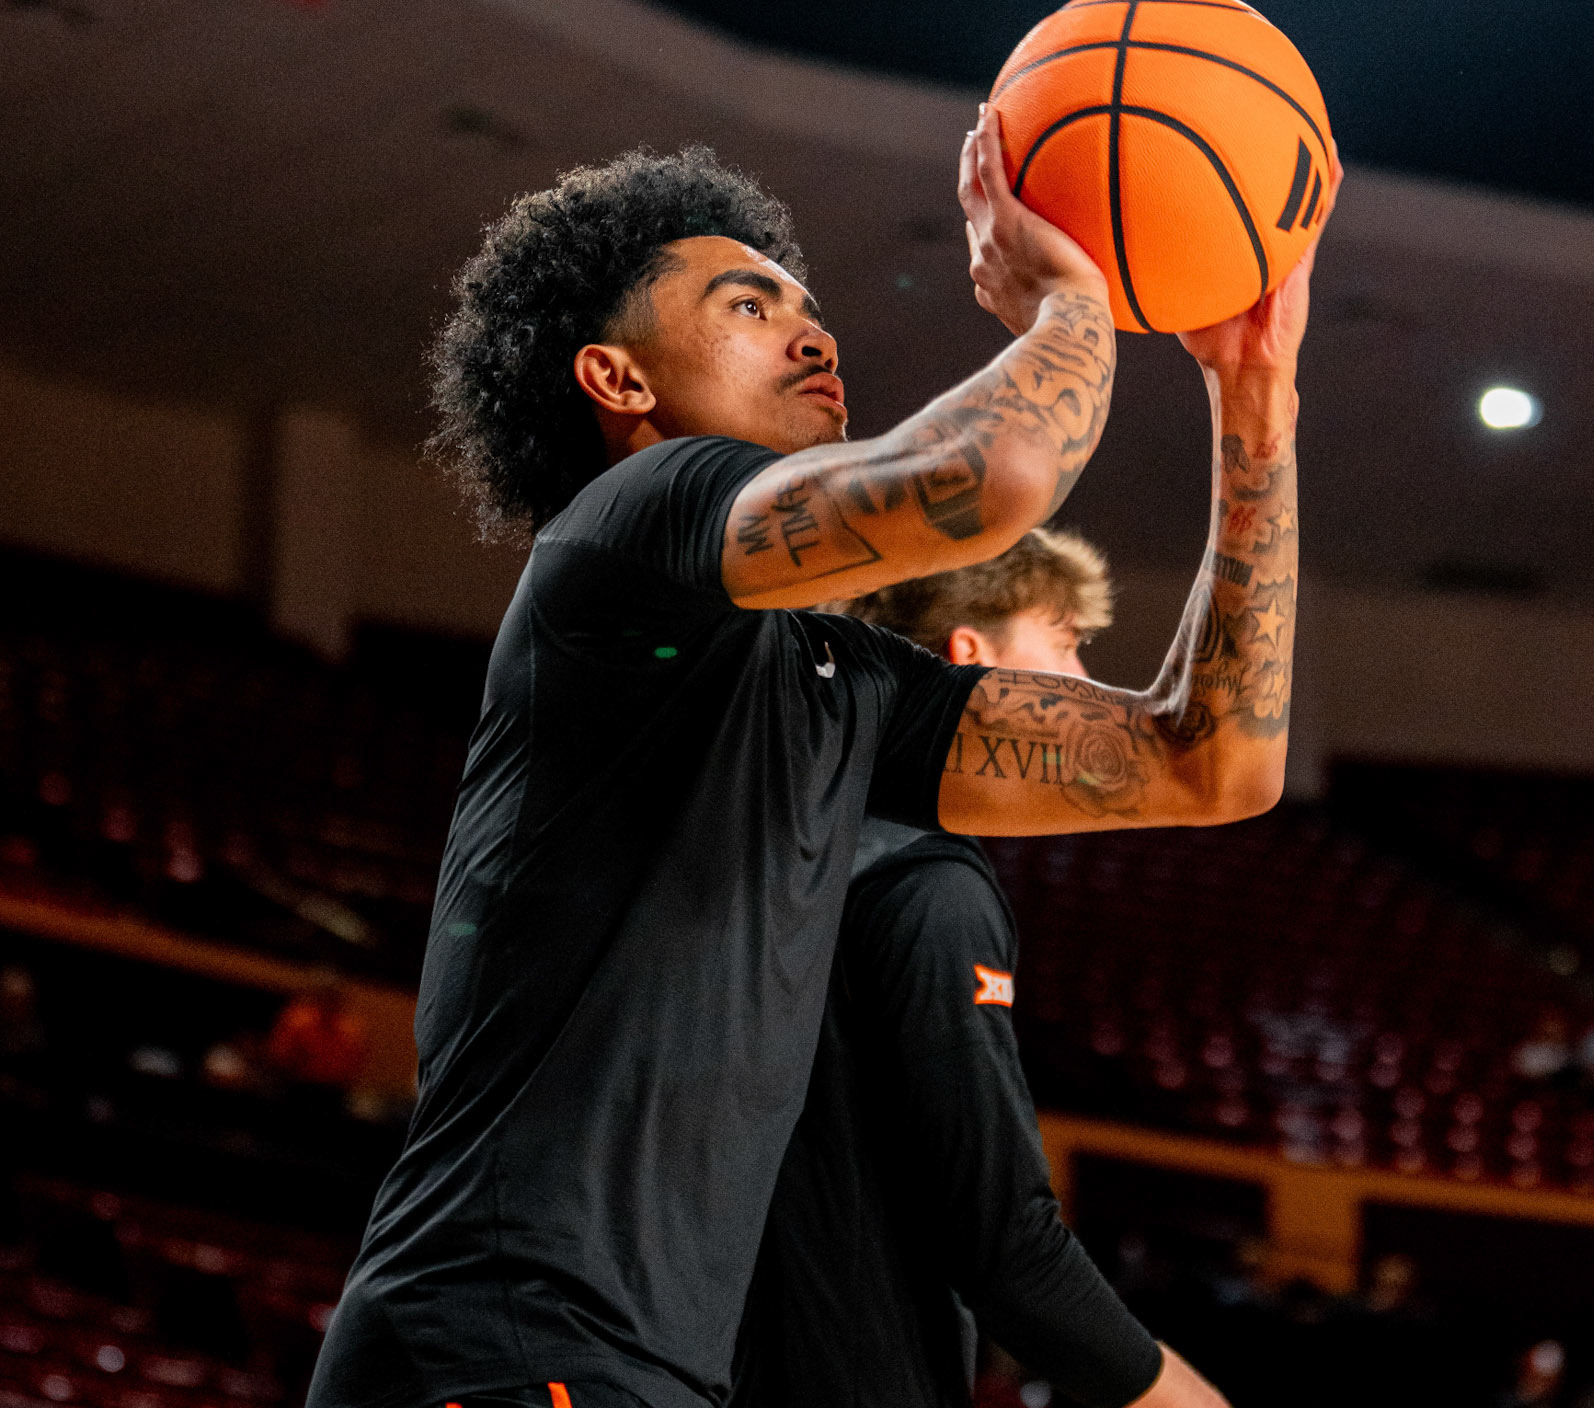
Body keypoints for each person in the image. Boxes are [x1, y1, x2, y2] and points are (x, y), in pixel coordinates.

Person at [307, 108, 1320, 1408]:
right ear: (622, 382)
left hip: (631, 1369)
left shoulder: (839, 686)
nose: (813, 330)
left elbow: (1212, 764)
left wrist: (1253, 398)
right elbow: (995, 474)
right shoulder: (624, 521)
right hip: (500, 1342)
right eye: (746, 303)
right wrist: (1072, 295)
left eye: (809, 306)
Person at [730, 529, 1229, 1408]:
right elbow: (1003, 1246)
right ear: (973, 660)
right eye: (1068, 642)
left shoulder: (786, 836)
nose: (1088, 683)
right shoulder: (928, 885)